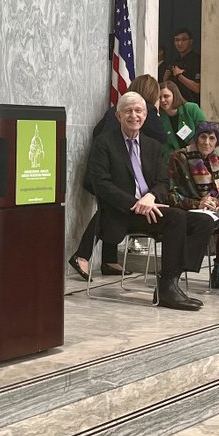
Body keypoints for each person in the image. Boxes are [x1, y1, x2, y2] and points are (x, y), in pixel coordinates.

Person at [87, 91, 216, 310]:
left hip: (153, 208)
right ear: (118, 116)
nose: (134, 115)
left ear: (145, 116)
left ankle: (170, 280)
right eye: (128, 111)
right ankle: (167, 287)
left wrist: (150, 197)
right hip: (123, 213)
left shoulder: (153, 146)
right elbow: (102, 184)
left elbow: (163, 182)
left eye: (139, 111)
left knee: (204, 221)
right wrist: (136, 204)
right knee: (175, 217)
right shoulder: (104, 143)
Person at [69, 75, 166, 282]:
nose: (134, 115)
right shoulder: (145, 112)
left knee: (111, 208)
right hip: (113, 174)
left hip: (111, 172)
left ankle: (106, 259)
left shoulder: (114, 112)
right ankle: (83, 255)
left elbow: (97, 131)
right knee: (112, 206)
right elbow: (162, 137)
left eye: (138, 111)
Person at [168, 121, 219, 293]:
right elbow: (171, 195)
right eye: (203, 137)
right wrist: (198, 203)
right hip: (187, 212)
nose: (207, 142)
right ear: (196, 138)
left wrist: (216, 204)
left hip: (210, 211)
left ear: (216, 142)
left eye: (212, 138)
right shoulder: (179, 157)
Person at [159, 80, 206, 161]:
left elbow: (206, 131)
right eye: (159, 97)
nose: (162, 100)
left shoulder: (191, 109)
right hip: (176, 162)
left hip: (199, 157)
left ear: (175, 95)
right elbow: (164, 146)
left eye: (166, 96)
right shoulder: (159, 118)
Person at [164, 27, 201, 104]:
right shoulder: (174, 62)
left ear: (190, 41)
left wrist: (179, 76)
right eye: (177, 40)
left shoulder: (197, 60)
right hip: (175, 107)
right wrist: (165, 80)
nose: (180, 43)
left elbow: (197, 88)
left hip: (192, 106)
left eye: (184, 40)